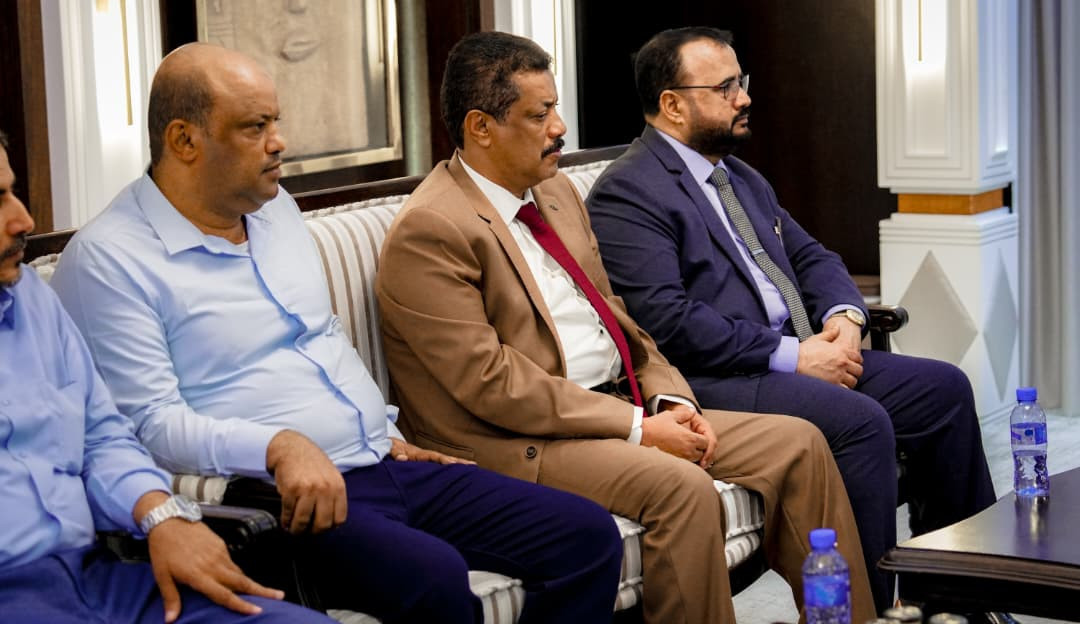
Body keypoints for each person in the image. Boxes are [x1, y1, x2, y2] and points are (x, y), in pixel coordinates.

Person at [50, 44, 623, 624]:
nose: (279, 142)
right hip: (281, 500)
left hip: (384, 460)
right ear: (184, 140)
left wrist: (384, 429)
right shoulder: (110, 259)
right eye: (255, 127)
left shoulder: (276, 210)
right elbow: (147, 424)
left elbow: (320, 338)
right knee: (436, 578)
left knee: (586, 537)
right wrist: (278, 446)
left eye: (276, 122)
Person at [374, 30, 876, 624]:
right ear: (481, 127)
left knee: (800, 444)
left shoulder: (554, 191)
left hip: (616, 403)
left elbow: (616, 314)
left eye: (556, 107)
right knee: (680, 488)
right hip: (518, 441)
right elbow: (491, 383)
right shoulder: (433, 228)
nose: (560, 127)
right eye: (539, 114)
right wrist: (638, 428)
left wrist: (670, 398)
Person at [584, 26, 997, 613]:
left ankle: (960, 599)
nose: (744, 97)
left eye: (741, 82)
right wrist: (795, 357)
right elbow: (666, 322)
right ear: (672, 104)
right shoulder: (629, 191)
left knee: (945, 390)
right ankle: (873, 613)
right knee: (860, 423)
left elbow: (811, 256)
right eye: (725, 87)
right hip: (718, 377)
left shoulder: (737, 175)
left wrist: (846, 318)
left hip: (801, 353)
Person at [0, 130, 334, 624]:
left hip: (100, 578)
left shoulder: (30, 297)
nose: (23, 220)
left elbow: (101, 438)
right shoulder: (110, 255)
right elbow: (155, 419)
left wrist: (160, 513)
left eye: (12, 192)